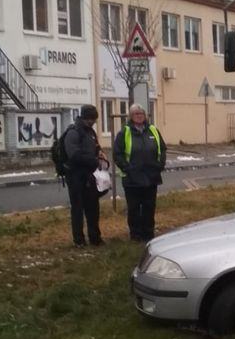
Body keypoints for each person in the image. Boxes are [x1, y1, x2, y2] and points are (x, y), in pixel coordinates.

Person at [113, 104, 167, 242]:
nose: (139, 116)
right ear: (131, 116)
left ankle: (148, 234)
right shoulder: (124, 132)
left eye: (141, 113)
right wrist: (127, 168)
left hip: (151, 177)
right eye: (136, 114)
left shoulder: (153, 130)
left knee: (149, 207)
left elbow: (162, 149)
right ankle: (136, 235)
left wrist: (159, 165)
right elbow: (117, 154)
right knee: (134, 208)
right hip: (132, 179)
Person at [64, 104, 106, 247]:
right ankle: (79, 240)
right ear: (84, 117)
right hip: (75, 176)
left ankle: (95, 238)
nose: (92, 122)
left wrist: (100, 152)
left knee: (93, 207)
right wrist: (93, 160)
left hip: (90, 176)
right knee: (77, 208)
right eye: (90, 119)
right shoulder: (73, 132)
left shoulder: (91, 132)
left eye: (94, 119)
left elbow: (95, 146)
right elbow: (74, 155)